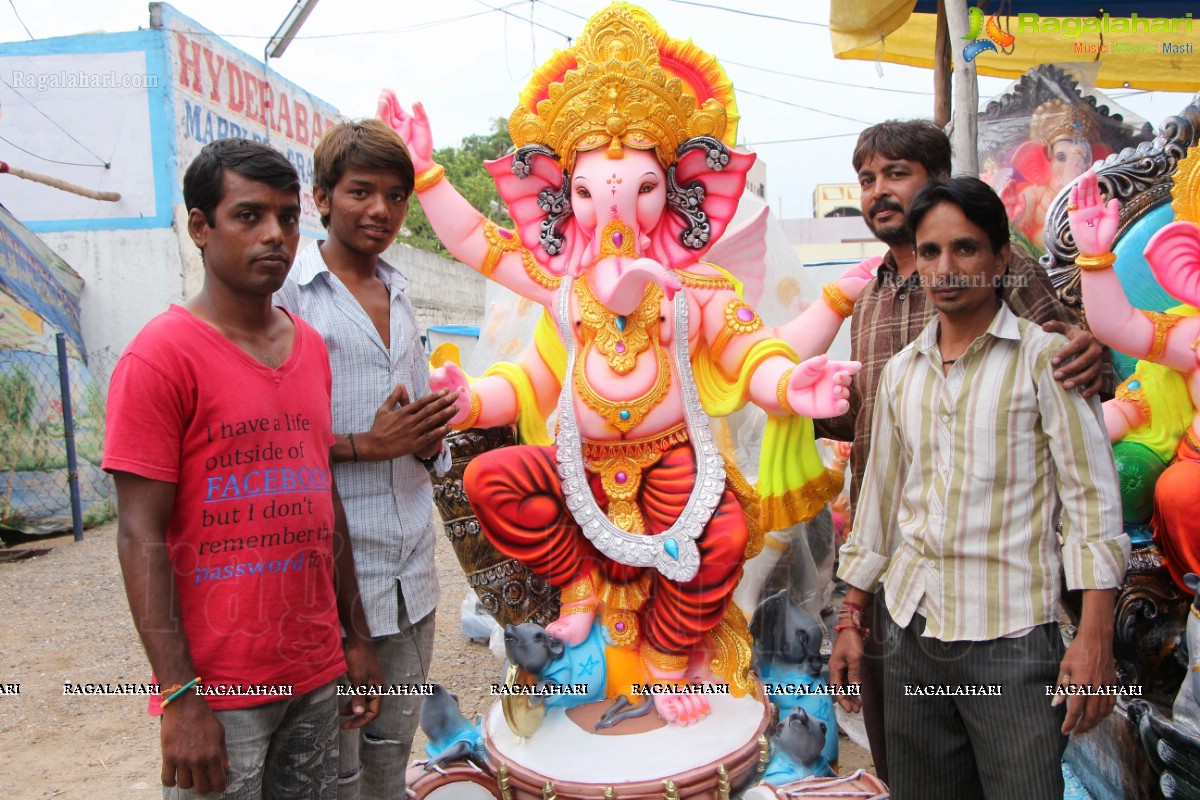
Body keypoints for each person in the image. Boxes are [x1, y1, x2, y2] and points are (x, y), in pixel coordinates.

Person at [815, 119, 1108, 783]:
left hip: (1006, 613)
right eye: (868, 180)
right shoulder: (868, 302)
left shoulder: (1015, 296)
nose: (879, 191)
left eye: (897, 174)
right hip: (903, 601)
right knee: (910, 775)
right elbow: (873, 447)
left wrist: (1090, 347)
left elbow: (1080, 381)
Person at [105, 138, 382, 799]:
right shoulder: (160, 357)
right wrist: (180, 697)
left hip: (315, 671)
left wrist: (357, 639)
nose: (275, 236)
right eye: (248, 216)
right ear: (200, 227)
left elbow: (323, 498)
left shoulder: (309, 347)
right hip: (221, 689)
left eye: (287, 218)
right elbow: (139, 533)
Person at [274, 118, 459, 800]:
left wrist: (431, 441)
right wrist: (364, 445)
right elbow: (260, 445)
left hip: (413, 572)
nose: (379, 210)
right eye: (359, 192)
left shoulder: (402, 296)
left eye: (394, 195)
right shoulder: (289, 298)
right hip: (332, 582)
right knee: (333, 765)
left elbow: (412, 432)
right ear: (321, 197)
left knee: (392, 753)